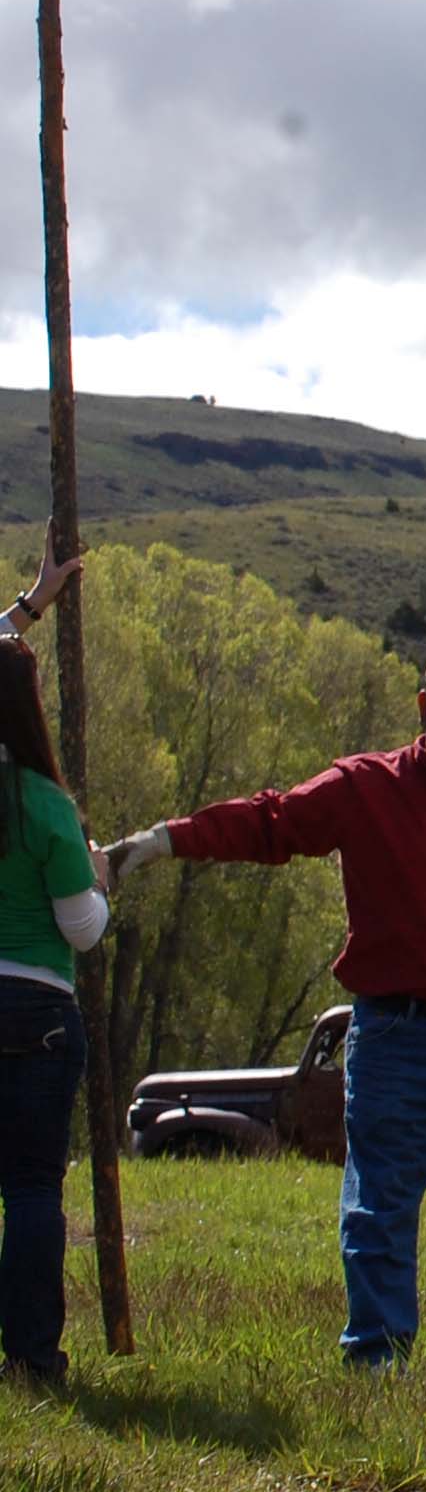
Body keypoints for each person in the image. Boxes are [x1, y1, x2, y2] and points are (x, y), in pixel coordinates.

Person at [103, 643, 426, 1369]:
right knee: (381, 1205)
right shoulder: (365, 789)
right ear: (423, 706)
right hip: (397, 1034)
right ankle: (377, 1357)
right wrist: (160, 843)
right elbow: (269, 824)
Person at [0, 548, 105, 1388]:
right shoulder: (43, 804)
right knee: (32, 1190)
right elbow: (81, 931)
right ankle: (32, 1362)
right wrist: (99, 880)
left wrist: (29, 608)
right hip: (35, 1010)